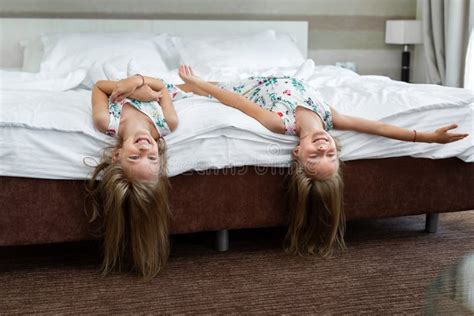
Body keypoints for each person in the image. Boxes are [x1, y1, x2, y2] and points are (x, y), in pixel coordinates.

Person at [177, 65, 469, 257]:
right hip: (282, 79)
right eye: (330, 154)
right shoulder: (331, 118)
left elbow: (235, 100)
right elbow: (378, 127)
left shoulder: (281, 124)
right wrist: (428, 137)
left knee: (183, 89)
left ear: (297, 152)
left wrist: (199, 84)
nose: (323, 147)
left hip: (246, 87)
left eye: (315, 155)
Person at [87, 74, 189, 279]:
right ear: (160, 159)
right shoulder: (168, 122)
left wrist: (130, 86)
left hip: (123, 82)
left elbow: (98, 86)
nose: (144, 146)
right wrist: (137, 83)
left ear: (117, 155)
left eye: (134, 156)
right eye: (151, 158)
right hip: (145, 80)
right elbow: (161, 87)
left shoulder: (106, 121)